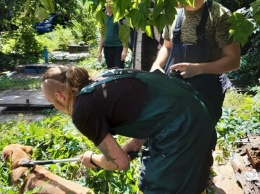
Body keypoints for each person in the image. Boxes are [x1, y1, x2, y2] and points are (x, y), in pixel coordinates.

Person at [41, 65, 215, 193]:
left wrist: (93, 159)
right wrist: (134, 145)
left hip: (181, 125)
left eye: (52, 103)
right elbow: (147, 108)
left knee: (162, 188)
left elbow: (119, 163)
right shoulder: (103, 81)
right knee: (190, 182)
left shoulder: (82, 111)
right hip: (196, 110)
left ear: (59, 96)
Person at [149, 0, 241, 193]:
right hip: (174, 89)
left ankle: (200, 181)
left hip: (206, 91)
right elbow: (166, 46)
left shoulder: (219, 15)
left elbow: (233, 60)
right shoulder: (173, 11)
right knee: (171, 136)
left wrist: (197, 69)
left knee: (201, 141)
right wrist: (156, 66)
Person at [97, 0, 129, 69]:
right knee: (110, 70)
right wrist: (99, 51)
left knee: (118, 70)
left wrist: (124, 50)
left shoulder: (121, 16)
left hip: (118, 47)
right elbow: (102, 34)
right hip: (107, 47)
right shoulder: (103, 16)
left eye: (110, 3)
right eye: (107, 3)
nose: (108, 5)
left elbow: (126, 33)